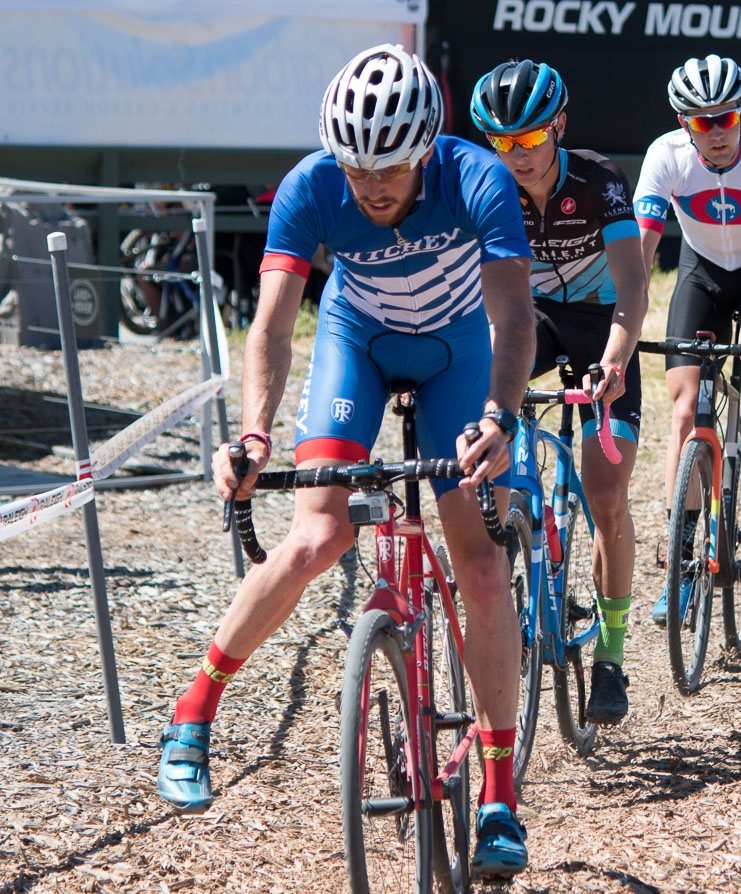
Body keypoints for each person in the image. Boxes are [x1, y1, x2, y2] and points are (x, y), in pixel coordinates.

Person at [155, 44, 537, 878]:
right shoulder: (310, 188)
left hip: (458, 355)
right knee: (314, 538)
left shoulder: (479, 179)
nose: (370, 184)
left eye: (390, 168)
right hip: (355, 347)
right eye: (355, 165)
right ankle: (193, 712)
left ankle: (501, 795)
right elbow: (273, 326)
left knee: (478, 568)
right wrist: (253, 435)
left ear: (427, 147)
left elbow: (513, 314)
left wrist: (497, 417)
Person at [469, 59, 649, 724]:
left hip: (604, 326)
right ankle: (514, 530)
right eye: (502, 143)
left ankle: (610, 656)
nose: (516, 156)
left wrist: (614, 362)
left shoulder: (598, 179)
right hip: (536, 322)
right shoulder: (490, 187)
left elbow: (633, 284)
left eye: (529, 140)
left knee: (605, 491)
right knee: (490, 396)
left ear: (560, 127)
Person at [633, 54, 741, 625]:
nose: (717, 133)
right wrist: (622, 328)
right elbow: (640, 255)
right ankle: (679, 567)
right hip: (700, 270)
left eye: (726, 118)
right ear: (685, 124)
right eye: (703, 122)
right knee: (684, 411)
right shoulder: (665, 157)